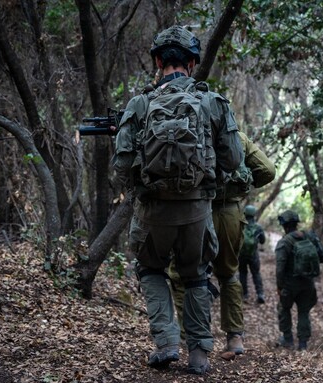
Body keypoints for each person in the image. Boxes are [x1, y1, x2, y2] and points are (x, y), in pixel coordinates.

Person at [112, 25, 243, 374]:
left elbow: (121, 165)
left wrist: (141, 187)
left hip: (153, 210)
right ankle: (199, 354)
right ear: (193, 62)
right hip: (197, 210)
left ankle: (167, 343)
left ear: (158, 61)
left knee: (151, 269)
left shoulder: (140, 104)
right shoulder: (213, 102)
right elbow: (233, 160)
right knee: (196, 275)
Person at [169, 130, 275, 355]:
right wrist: (239, 186)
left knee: (182, 275)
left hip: (193, 211)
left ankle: (189, 337)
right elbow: (267, 170)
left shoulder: (184, 132)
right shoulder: (236, 136)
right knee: (228, 274)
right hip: (229, 211)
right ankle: (235, 337)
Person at [275, 210, 323, 351]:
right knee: (304, 312)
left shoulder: (284, 242)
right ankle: (303, 344)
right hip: (308, 283)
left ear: (284, 225)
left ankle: (288, 339)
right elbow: (322, 257)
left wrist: (280, 287)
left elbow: (280, 268)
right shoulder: (309, 236)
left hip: (290, 285)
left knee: (283, 309)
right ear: (296, 223)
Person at [239, 204, 267, 304]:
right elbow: (263, 241)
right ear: (254, 214)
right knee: (256, 274)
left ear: (245, 213)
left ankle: (244, 295)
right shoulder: (258, 227)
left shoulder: (240, 225)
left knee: (242, 274)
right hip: (253, 255)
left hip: (241, 255)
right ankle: (260, 294)